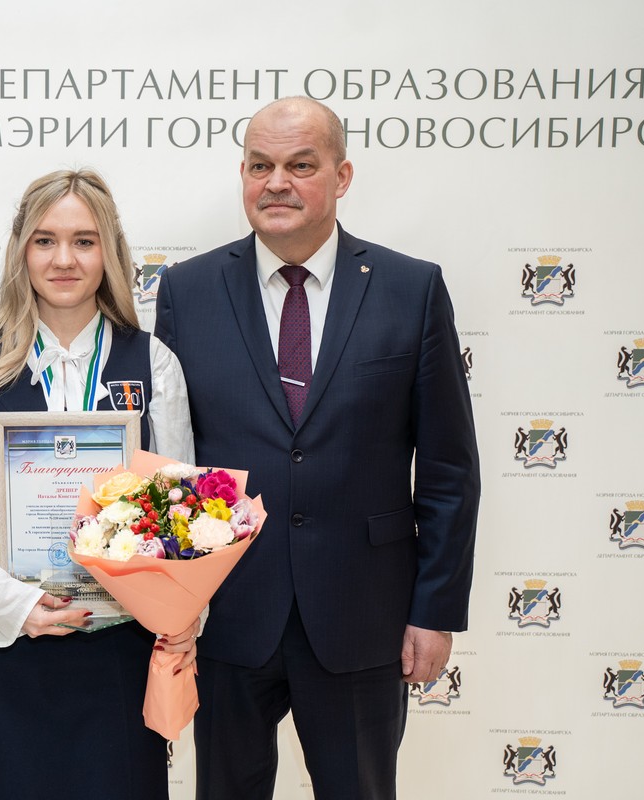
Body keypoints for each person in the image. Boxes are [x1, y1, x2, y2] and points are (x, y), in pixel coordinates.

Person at [154, 97, 480, 799]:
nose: (277, 183)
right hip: (229, 614)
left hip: (364, 615)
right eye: (259, 166)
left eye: (301, 165)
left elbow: (449, 470)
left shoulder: (411, 289)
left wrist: (434, 610)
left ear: (342, 175)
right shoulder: (187, 290)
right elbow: (170, 459)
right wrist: (171, 605)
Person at [0, 169, 195, 800]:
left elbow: (180, 512)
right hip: (7, 639)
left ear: (110, 252)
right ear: (21, 250)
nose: (63, 259)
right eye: (45, 240)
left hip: (119, 644)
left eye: (84, 241)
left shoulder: (153, 363)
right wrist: (12, 603)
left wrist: (179, 612)